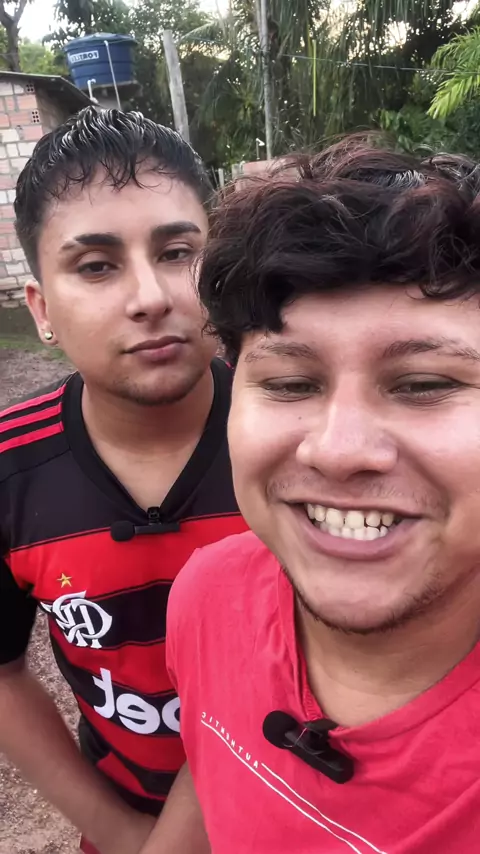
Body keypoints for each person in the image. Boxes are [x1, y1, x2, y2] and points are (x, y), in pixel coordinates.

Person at [142, 140, 480, 853]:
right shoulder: (209, 596)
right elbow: (215, 776)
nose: (338, 449)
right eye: (291, 383)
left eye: (425, 384)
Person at [0, 106, 246, 854]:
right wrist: (121, 832)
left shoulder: (296, 438)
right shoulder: (10, 469)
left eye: (177, 252)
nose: (151, 297)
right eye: (96, 266)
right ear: (42, 309)